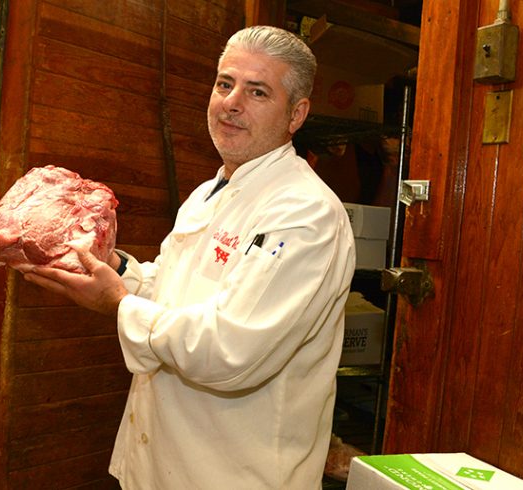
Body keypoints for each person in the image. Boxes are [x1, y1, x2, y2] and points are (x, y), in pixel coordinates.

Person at [25, 25, 355, 489]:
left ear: (296, 115)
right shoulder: (207, 192)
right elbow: (176, 287)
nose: (231, 102)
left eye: (257, 91)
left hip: (234, 475)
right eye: (225, 83)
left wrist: (118, 303)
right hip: (161, 465)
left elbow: (229, 350)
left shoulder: (305, 212)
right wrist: (117, 269)